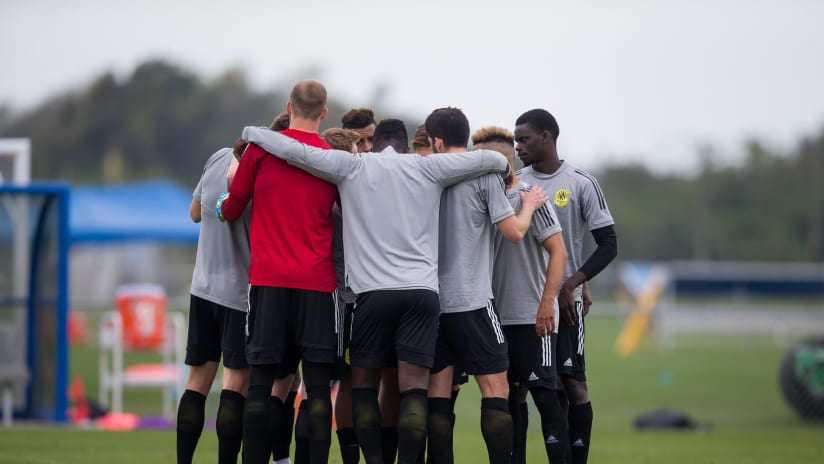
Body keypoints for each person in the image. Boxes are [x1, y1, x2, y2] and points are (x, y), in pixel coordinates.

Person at [239, 108, 510, 464]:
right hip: (421, 294)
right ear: (403, 145)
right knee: (413, 388)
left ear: (376, 143)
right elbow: (486, 159)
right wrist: (504, 167)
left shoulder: (353, 166)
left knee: (364, 387)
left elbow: (298, 153)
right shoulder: (425, 166)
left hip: (371, 296)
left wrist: (253, 131)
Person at [219, 80, 339, 464]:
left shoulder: (259, 151)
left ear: (288, 107)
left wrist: (222, 201)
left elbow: (232, 209)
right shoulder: (333, 158)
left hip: (268, 283)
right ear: (324, 113)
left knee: (260, 385)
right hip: (319, 286)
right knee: (317, 390)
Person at [425, 110, 549, 464]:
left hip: (432, 303)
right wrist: (528, 205)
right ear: (464, 138)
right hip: (473, 301)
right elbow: (515, 233)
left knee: (438, 396)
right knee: (495, 389)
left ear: (435, 141)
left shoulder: (423, 175)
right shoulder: (484, 175)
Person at [514, 109, 618, 464]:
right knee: (540, 386)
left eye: (523, 139)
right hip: (529, 299)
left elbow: (608, 244)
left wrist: (575, 281)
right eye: (515, 140)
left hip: (567, 303)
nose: (517, 146)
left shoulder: (580, 182)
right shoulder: (518, 183)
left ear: (546, 136)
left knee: (573, 384)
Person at [475, 126, 568, 464]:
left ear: (503, 160)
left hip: (532, 316)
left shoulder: (530, 196)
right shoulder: (479, 197)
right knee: (510, 401)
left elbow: (559, 253)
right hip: (494, 320)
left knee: (545, 396)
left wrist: (547, 304)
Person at [177, 144, 251, 464]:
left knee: (197, 385)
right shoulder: (261, 173)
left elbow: (194, 213)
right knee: (235, 387)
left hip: (202, 289)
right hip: (239, 295)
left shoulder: (218, 157)